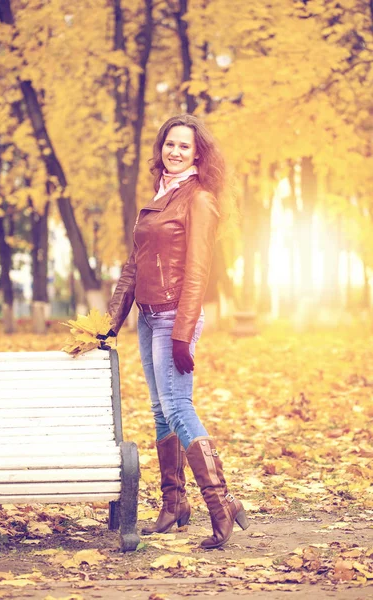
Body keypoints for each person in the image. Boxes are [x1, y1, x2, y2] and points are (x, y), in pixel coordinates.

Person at [108, 114, 249, 549]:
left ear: (197, 153)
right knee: (159, 410)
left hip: (174, 317)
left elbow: (198, 271)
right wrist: (110, 321)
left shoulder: (199, 199)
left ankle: (220, 503)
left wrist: (183, 332)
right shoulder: (160, 197)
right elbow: (134, 264)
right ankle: (174, 504)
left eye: (184, 146)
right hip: (148, 317)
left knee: (178, 408)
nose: (175, 151)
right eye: (170, 144)